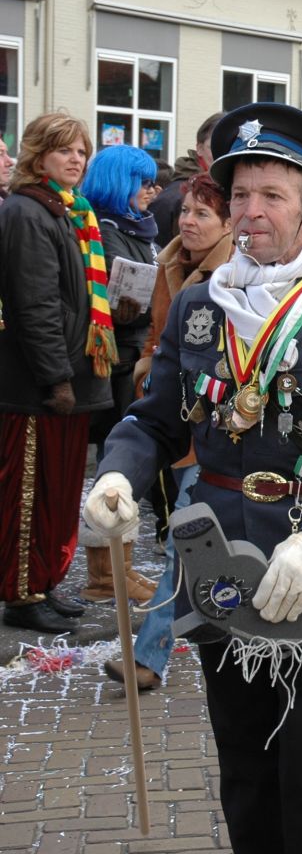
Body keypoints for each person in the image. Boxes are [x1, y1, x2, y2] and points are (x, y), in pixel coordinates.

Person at [82, 103, 302, 853]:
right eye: (240, 195)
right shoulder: (199, 308)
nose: (251, 212)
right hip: (218, 571)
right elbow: (152, 422)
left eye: (272, 196)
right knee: (242, 759)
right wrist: (117, 477)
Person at [108, 173, 235, 691]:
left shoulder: (233, 276)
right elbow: (158, 336)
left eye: (203, 213)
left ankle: (148, 656)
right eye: (185, 211)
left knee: (184, 539)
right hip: (169, 417)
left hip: (215, 427)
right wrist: (147, 371)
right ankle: (222, 619)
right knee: (192, 537)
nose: (188, 221)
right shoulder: (169, 263)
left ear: (227, 224)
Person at [0, 112, 110, 633]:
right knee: (28, 494)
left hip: (67, 375)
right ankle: (21, 593)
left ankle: (43, 582)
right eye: (64, 149)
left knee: (58, 493)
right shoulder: (28, 212)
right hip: (36, 385)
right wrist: (56, 377)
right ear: (38, 155)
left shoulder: (69, 210)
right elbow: (35, 304)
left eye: (82, 151)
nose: (76, 159)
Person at [78, 144, 161, 604]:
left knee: (120, 466)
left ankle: (117, 568)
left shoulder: (135, 227)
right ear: (118, 183)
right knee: (114, 467)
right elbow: (110, 300)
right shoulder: (107, 230)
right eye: (141, 182)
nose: (151, 190)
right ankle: (106, 575)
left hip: (131, 353)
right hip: (116, 361)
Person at [149, 112, 223, 246]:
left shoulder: (237, 191)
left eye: (231, 147)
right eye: (215, 147)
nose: (223, 154)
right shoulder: (175, 197)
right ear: (199, 149)